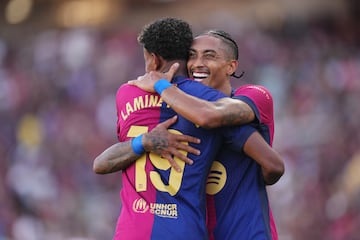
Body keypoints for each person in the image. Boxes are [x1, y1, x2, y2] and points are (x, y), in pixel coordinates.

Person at [94, 17, 271, 240]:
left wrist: (144, 141)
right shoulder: (209, 100)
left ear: (153, 59)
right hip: (185, 230)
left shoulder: (127, 93)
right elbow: (271, 163)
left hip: (132, 232)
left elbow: (102, 164)